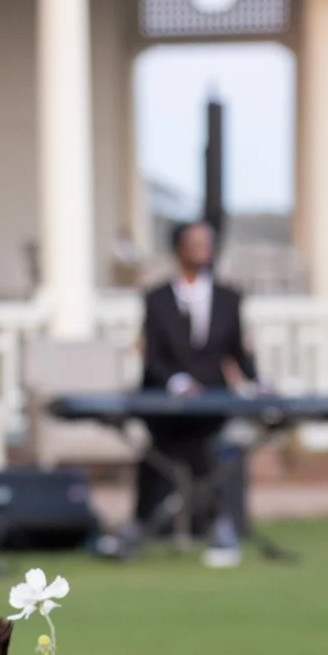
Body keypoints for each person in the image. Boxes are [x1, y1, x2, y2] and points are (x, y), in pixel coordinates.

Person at [135, 217, 258, 553]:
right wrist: (177, 383)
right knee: (168, 451)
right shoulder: (157, 299)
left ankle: (213, 522)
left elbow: (238, 353)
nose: (205, 249)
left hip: (212, 406)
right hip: (166, 406)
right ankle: (153, 522)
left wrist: (259, 383)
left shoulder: (228, 298)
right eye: (196, 243)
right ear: (178, 249)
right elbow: (152, 356)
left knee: (208, 448)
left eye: (208, 242)